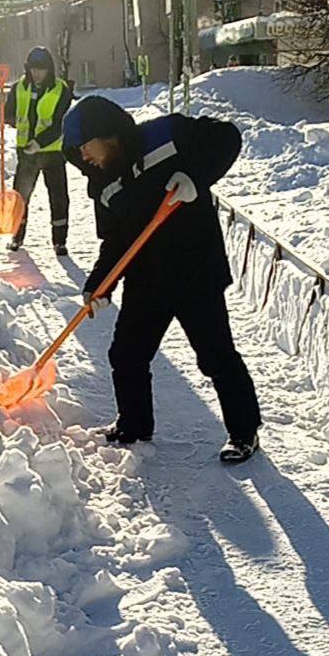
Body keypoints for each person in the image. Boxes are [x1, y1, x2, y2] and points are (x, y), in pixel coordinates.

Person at [62, 95, 261, 463]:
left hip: (195, 270)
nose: (83, 157)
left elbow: (227, 137)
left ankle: (244, 432)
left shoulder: (164, 135)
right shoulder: (103, 185)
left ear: (104, 134)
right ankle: (134, 425)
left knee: (215, 356)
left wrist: (195, 177)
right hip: (147, 278)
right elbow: (116, 242)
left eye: (84, 147)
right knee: (126, 354)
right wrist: (100, 285)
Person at [2, 46, 72, 255]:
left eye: (41, 69)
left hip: (52, 152)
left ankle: (59, 241)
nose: (37, 73)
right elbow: (12, 116)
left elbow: (60, 123)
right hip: (27, 154)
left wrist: (39, 142)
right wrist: (2, 108)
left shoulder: (61, 90)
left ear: (49, 69)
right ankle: (16, 236)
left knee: (58, 197)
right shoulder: (19, 88)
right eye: (33, 68)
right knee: (21, 196)